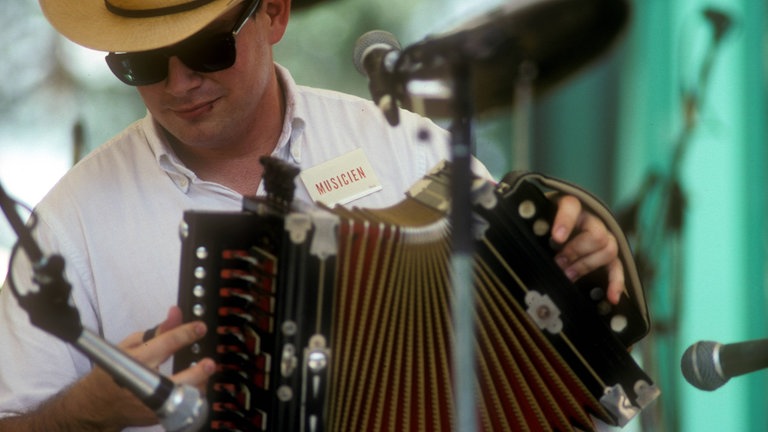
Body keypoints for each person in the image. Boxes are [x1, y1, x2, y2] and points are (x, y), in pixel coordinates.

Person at [0, 0, 626, 430]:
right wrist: (91, 409)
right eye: (140, 64)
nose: (179, 82)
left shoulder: (407, 145)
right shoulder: (66, 226)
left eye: (208, 47)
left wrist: (580, 260)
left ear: (273, 12)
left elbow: (529, 319)